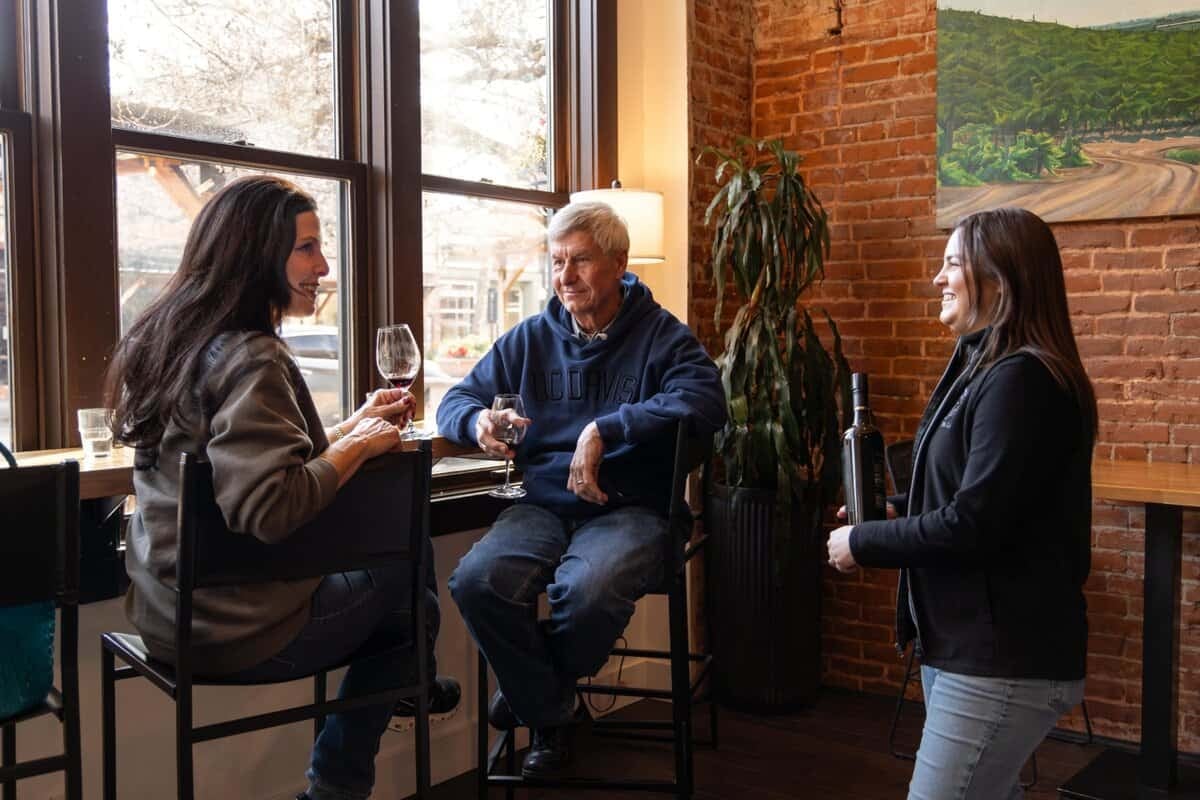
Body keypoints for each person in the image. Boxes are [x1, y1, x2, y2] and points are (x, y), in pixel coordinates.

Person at [106, 175, 454, 800]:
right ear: (255, 253)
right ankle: (341, 778)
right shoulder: (254, 357)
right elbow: (269, 508)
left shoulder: (173, 341)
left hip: (168, 615)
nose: (323, 266)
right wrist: (355, 447)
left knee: (410, 586)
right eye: (307, 248)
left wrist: (355, 422)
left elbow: (256, 461)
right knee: (414, 590)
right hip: (237, 632)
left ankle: (407, 693)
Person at [438, 201, 726, 777]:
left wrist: (605, 428)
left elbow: (706, 403)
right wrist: (478, 424)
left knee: (591, 590)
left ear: (619, 263)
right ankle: (550, 702)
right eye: (557, 261)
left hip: (632, 509)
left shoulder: (661, 336)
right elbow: (455, 401)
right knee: (476, 581)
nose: (565, 277)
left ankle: (533, 693)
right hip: (543, 506)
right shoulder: (528, 339)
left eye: (581, 261)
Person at [827, 206, 1096, 800]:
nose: (937, 278)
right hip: (978, 652)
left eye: (952, 263)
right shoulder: (991, 368)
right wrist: (898, 509)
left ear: (999, 279)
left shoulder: (1021, 380)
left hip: (1001, 659)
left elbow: (975, 524)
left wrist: (864, 543)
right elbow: (980, 494)